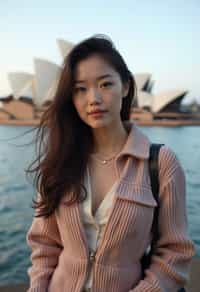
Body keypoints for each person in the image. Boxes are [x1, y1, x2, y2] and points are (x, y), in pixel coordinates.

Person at [26, 35, 195, 292]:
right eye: (80, 89)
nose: (93, 98)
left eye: (105, 84)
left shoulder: (160, 163)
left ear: (126, 86)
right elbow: (44, 245)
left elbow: (175, 252)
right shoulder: (60, 160)